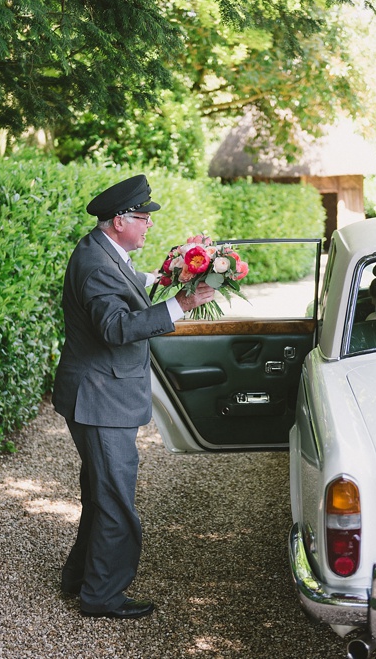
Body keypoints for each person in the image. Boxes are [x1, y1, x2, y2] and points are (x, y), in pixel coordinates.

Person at [52, 173, 216, 620]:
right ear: (120, 220)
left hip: (98, 393)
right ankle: (102, 596)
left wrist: (167, 278)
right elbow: (115, 327)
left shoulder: (104, 251)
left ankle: (79, 579)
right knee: (116, 501)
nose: (148, 225)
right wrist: (180, 305)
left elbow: (126, 281)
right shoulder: (95, 264)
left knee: (100, 492)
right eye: (143, 218)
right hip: (100, 398)